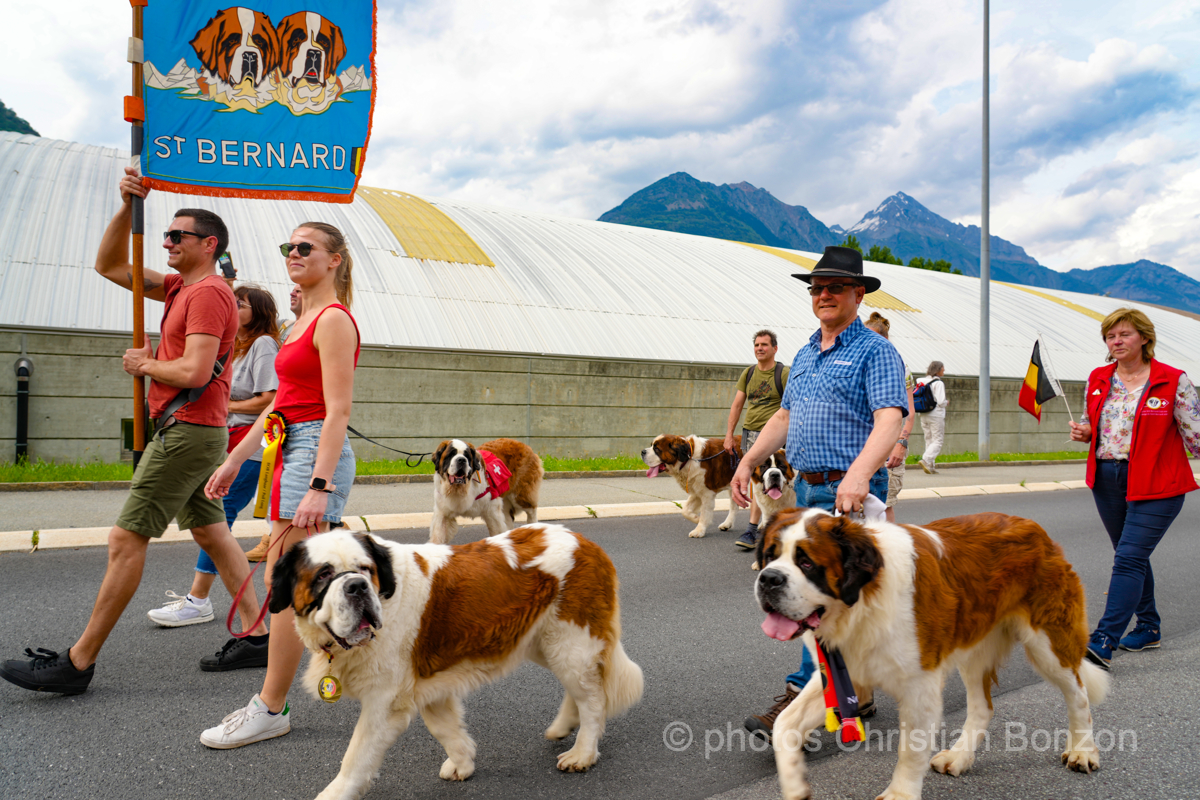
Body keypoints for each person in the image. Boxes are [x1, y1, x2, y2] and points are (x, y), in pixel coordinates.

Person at [0, 167, 268, 695]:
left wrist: (145, 365)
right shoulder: (178, 287)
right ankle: (257, 634)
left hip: (187, 430)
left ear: (209, 244)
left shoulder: (208, 293)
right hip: (192, 429)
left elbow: (195, 371)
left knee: (126, 538)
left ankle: (78, 663)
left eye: (178, 235)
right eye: (164, 234)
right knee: (212, 532)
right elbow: (108, 265)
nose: (166, 242)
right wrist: (128, 206)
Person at [730, 245, 907, 741]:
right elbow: (784, 417)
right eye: (817, 288)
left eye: (835, 287)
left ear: (858, 294)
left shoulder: (876, 351)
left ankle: (797, 711)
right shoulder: (806, 354)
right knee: (841, 603)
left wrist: (859, 474)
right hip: (807, 487)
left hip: (848, 492)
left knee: (820, 601)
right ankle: (856, 694)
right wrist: (747, 460)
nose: (824, 295)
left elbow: (889, 418)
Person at [200, 221, 360, 748]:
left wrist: (320, 485)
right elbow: (278, 407)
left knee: (286, 585)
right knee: (289, 580)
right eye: (289, 246)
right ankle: (353, 653)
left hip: (313, 452)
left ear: (334, 259)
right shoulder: (298, 323)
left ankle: (270, 707)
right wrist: (233, 461)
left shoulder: (333, 320)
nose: (293, 252)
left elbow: (337, 411)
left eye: (305, 247)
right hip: (288, 445)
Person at [1068, 308, 1199, 670]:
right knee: (1131, 555)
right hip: (1107, 479)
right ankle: (1149, 627)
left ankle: (1103, 640)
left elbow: (1196, 436)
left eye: (1124, 334)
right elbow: (1092, 423)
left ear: (1144, 337)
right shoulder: (1098, 378)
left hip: (1158, 482)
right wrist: (1085, 432)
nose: (1117, 341)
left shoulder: (1173, 381)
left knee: (1127, 558)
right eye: (1110, 336)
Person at [146, 285, 281, 626]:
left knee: (221, 515)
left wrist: (226, 404)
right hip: (228, 440)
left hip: (252, 444)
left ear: (259, 312)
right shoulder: (233, 346)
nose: (233, 307)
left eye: (241, 304)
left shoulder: (263, 344)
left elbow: (269, 399)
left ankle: (199, 600)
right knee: (215, 518)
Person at [724, 329, 790, 550]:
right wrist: (729, 435)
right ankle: (756, 527)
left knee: (780, 481)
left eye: (764, 345)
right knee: (756, 480)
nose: (760, 348)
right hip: (750, 434)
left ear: (775, 348)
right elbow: (737, 405)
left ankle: (760, 527)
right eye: (757, 345)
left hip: (775, 436)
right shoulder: (749, 373)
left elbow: (792, 406)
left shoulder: (783, 373)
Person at [863, 312, 916, 523]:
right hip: (863, 444)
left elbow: (909, 411)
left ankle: (890, 543)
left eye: (872, 337)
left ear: (885, 339)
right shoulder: (862, 364)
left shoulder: (899, 365)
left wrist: (901, 444)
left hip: (889, 444)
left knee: (884, 505)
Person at [914, 361, 948, 473]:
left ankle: (930, 466)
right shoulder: (938, 383)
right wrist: (946, 402)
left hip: (923, 413)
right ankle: (926, 460)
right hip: (936, 415)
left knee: (928, 439)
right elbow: (941, 401)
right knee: (938, 441)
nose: (944, 370)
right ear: (938, 370)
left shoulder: (920, 381)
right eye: (942, 368)